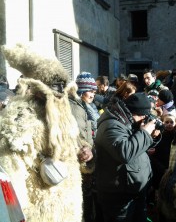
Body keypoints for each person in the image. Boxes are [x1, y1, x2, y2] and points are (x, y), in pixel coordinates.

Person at [0, 43, 89, 221]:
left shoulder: (64, 117)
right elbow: (11, 174)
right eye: (54, 92)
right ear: (39, 90)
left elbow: (73, 150)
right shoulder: (19, 121)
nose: (60, 98)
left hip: (68, 210)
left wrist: (84, 153)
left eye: (62, 93)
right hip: (41, 213)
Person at [95, 93, 158, 222]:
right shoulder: (111, 125)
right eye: (142, 116)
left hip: (133, 191)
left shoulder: (126, 121)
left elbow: (134, 144)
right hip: (118, 197)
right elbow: (124, 152)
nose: (144, 119)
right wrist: (145, 133)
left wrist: (151, 137)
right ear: (132, 112)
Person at [74, 71, 101, 222]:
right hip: (83, 161)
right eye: (90, 91)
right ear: (82, 91)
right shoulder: (78, 109)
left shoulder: (91, 108)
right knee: (85, 200)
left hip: (92, 159)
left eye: (94, 91)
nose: (93, 94)